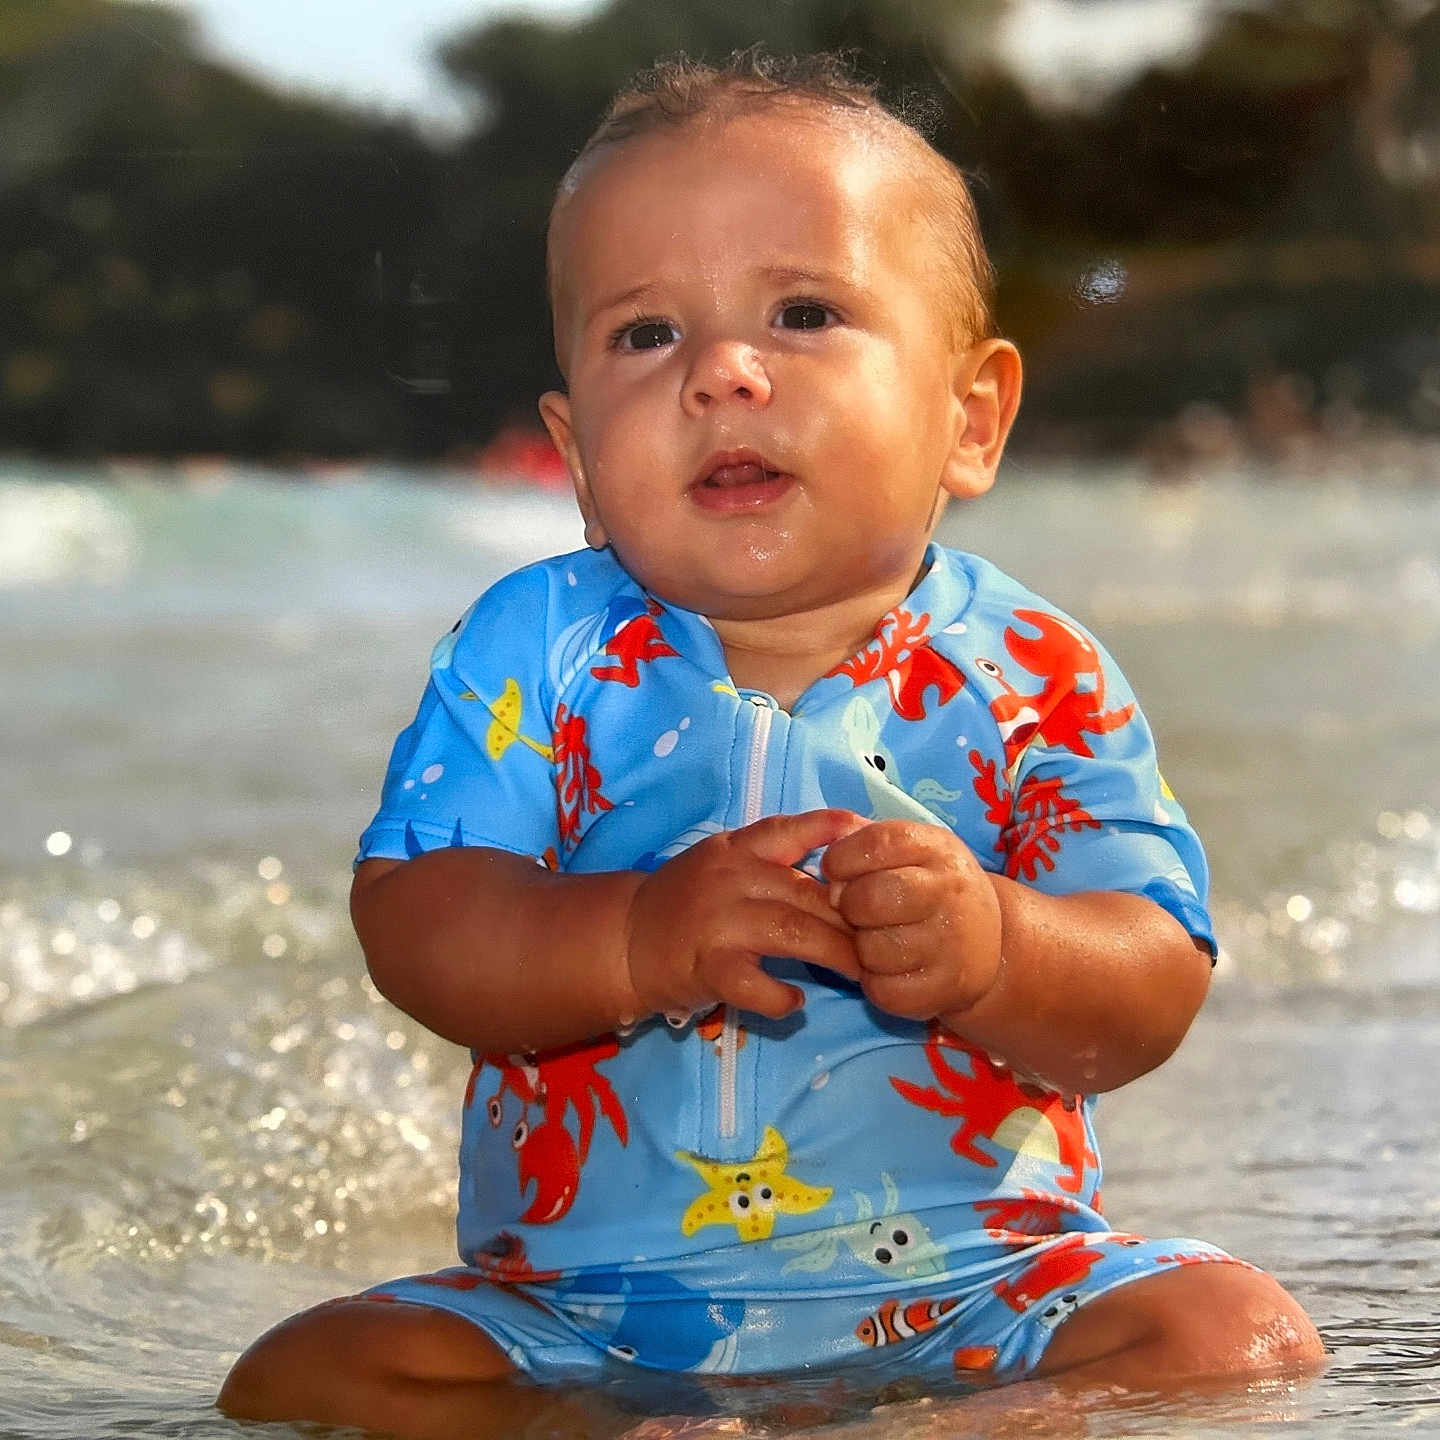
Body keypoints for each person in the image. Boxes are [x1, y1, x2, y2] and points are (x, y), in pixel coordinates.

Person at [219, 50, 1323, 1438]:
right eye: (645, 337)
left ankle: (968, 1424)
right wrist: (632, 939)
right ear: (572, 454)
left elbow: (1152, 976)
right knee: (298, 1378)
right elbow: (421, 924)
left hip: (984, 1295)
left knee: (1238, 1335)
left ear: (967, 417)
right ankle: (585, 1431)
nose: (722, 375)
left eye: (803, 313)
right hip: (580, 1310)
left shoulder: (1035, 673)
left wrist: (992, 943)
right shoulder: (537, 652)